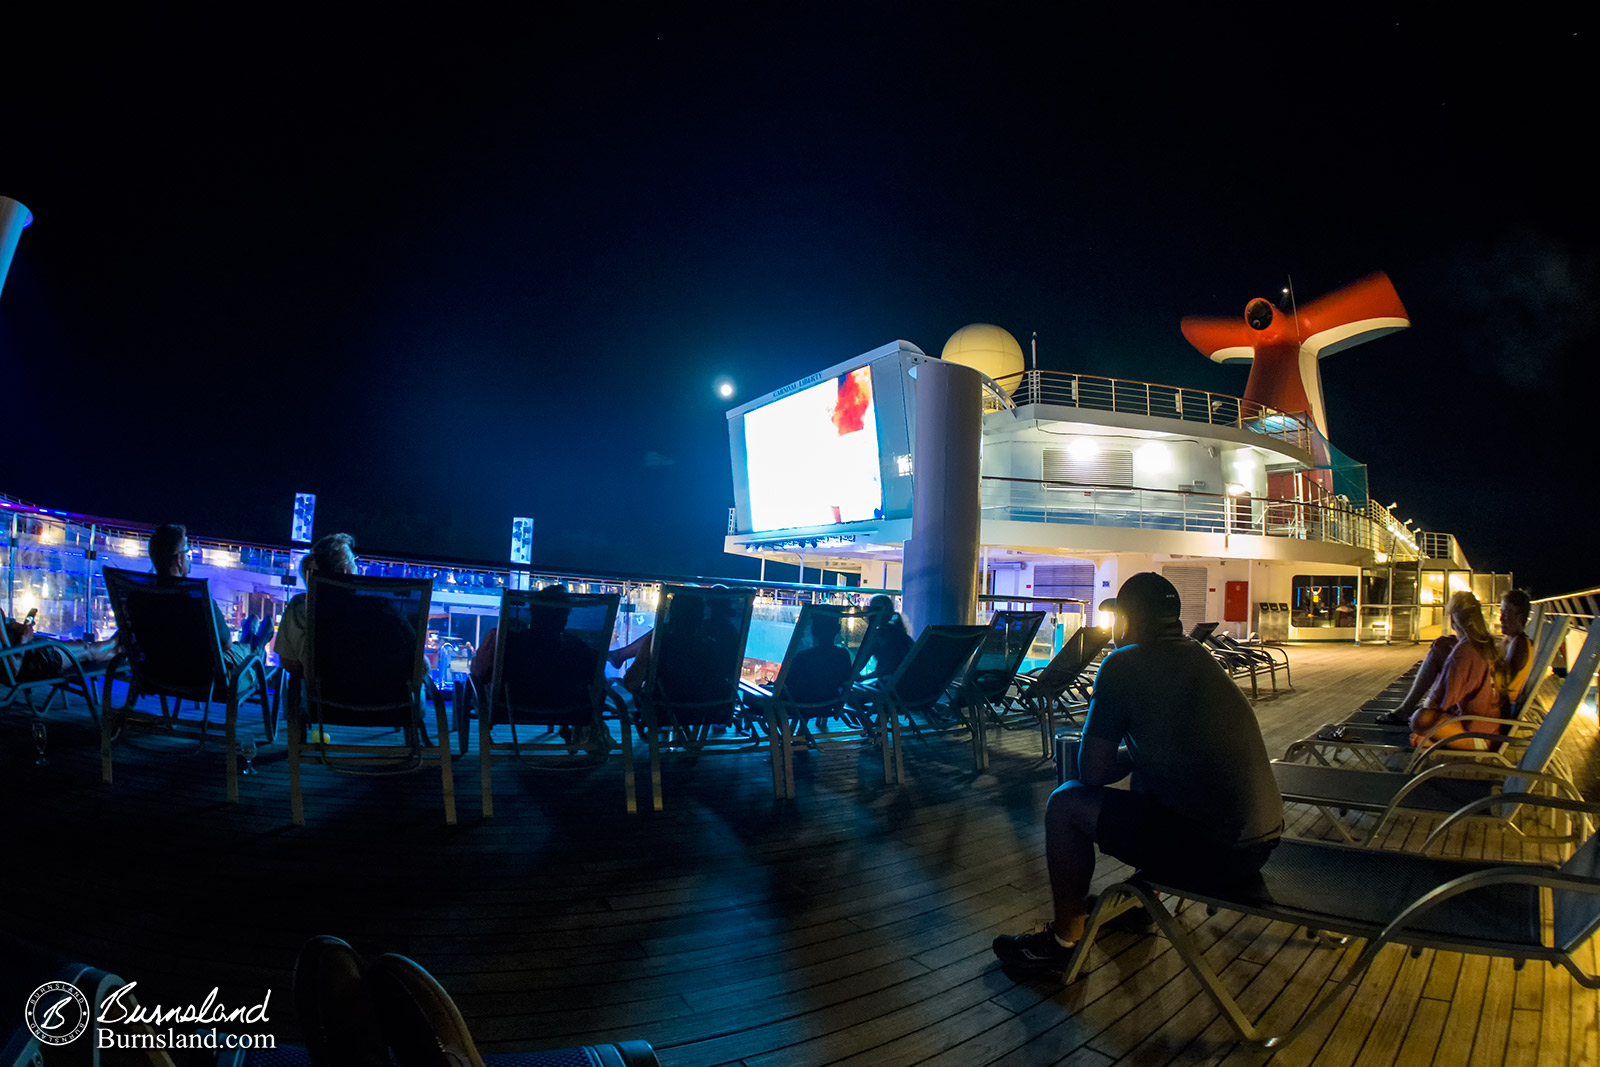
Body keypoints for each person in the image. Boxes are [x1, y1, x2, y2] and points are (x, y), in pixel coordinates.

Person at [992, 572, 1283, 974]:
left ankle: (1063, 943)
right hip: (1261, 847)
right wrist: (1140, 754)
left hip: (1217, 855)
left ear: (1126, 621)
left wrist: (1126, 753)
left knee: (1064, 805)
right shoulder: (1201, 657)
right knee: (1152, 779)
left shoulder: (1122, 664)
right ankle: (1142, 902)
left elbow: (1092, 773)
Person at [148, 523, 264, 670]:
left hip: (156, 672)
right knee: (246, 650)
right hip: (201, 676)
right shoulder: (199, 600)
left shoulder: (139, 598)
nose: (189, 559)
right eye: (187, 553)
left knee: (245, 645)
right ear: (179, 560)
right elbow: (226, 644)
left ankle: (252, 637)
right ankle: (255, 643)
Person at [1405, 591, 1508, 750]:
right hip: (1492, 726)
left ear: (1452, 619)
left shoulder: (1464, 652)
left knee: (1420, 718)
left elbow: (1439, 704)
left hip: (1478, 735)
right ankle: (1433, 741)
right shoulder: (1486, 645)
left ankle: (1435, 740)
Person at [273, 532, 358, 677]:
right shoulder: (379, 606)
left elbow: (289, 663)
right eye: (354, 561)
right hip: (377, 695)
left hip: (322, 694)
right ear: (347, 570)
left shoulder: (300, 607)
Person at [858, 595, 912, 680]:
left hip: (888, 687)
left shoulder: (878, 636)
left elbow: (859, 665)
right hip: (903, 684)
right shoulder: (899, 633)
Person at [1500, 589, 1533, 705]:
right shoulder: (1510, 640)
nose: (1501, 618)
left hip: (1498, 707)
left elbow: (1504, 683)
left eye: (1506, 614)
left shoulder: (1519, 644)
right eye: (1501, 613)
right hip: (1495, 702)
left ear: (1520, 618)